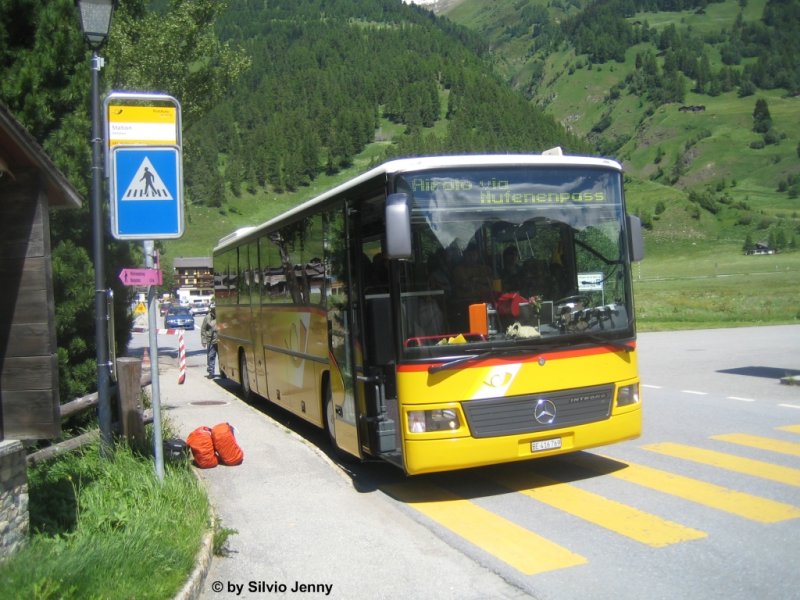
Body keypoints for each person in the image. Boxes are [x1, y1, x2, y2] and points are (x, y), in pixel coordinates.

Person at [201, 306, 218, 378]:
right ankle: (211, 372)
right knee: (211, 356)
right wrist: (204, 340)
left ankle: (223, 372)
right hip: (211, 340)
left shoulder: (221, 316)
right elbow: (203, 329)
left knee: (223, 357)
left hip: (220, 340)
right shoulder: (207, 318)